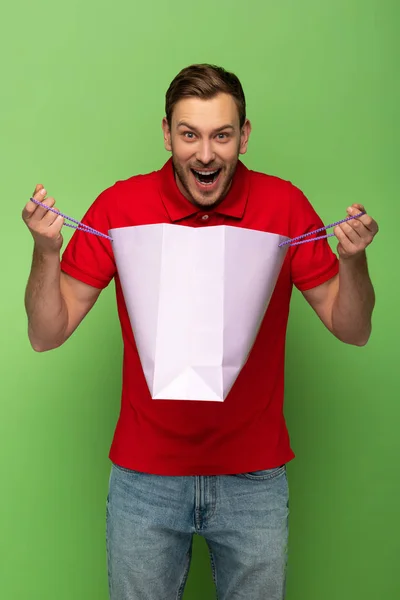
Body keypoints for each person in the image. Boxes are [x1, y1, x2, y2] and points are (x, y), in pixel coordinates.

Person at [22, 64, 378, 600]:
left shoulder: (283, 206)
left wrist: (353, 264)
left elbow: (352, 329)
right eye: (189, 134)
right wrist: (45, 253)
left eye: (221, 135)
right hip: (145, 478)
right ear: (167, 133)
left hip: (254, 478)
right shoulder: (121, 208)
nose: (205, 154)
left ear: (244, 135)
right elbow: (46, 333)